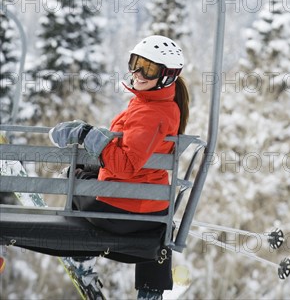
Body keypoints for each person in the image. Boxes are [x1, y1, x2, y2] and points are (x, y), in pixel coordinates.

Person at [49, 35, 189, 300]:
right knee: (87, 173)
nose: (137, 72)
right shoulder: (158, 105)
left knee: (73, 179)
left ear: (167, 76)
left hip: (120, 210)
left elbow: (125, 165)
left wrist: (86, 136)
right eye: (136, 63)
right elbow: (130, 157)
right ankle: (151, 291)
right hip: (152, 207)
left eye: (148, 68)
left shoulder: (150, 112)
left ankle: (81, 257)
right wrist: (94, 140)